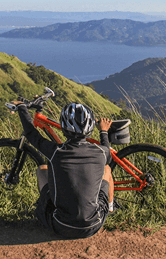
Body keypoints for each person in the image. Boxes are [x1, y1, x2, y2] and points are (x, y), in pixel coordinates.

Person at [12, 100, 114, 239]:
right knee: (107, 170)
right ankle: (111, 207)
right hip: (93, 226)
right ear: (90, 128)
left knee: (42, 169)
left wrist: (22, 107)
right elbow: (107, 150)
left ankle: (44, 207)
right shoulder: (102, 152)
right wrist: (103, 131)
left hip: (60, 225)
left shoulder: (55, 151)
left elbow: (31, 133)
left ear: (64, 128)